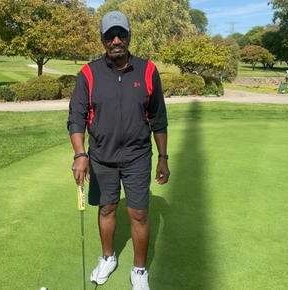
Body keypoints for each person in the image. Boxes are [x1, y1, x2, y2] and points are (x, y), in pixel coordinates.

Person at [67, 11, 170, 290]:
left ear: (129, 36)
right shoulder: (89, 73)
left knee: (139, 214)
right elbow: (76, 116)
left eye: (121, 34)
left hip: (138, 156)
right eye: (109, 36)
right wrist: (80, 154)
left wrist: (162, 157)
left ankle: (138, 270)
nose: (116, 40)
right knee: (107, 209)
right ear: (102, 40)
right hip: (101, 157)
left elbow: (158, 117)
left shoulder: (148, 70)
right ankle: (108, 258)